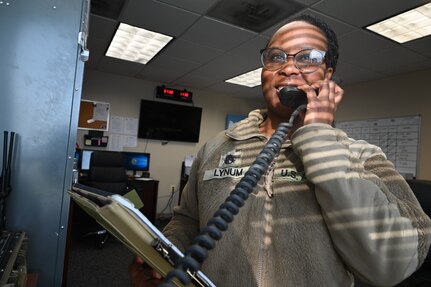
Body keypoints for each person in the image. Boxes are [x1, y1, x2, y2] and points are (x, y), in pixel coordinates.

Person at [129, 14, 431, 287]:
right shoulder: (216, 146)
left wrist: (317, 137)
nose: (288, 68)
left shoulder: (362, 156)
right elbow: (189, 221)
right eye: (276, 57)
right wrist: (163, 253)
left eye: (307, 58)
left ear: (327, 78)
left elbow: (392, 264)